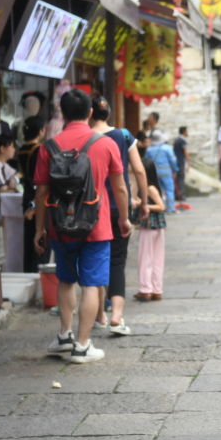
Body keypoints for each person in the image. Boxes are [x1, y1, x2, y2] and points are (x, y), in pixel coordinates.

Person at [33, 89, 131, 364]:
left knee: (66, 280)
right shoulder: (105, 144)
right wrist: (124, 218)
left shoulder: (48, 147)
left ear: (62, 114)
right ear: (90, 113)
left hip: (60, 226)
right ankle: (82, 345)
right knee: (91, 284)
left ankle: (65, 335)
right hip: (96, 226)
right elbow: (120, 187)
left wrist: (40, 228)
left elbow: (41, 192)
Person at [89, 95, 135, 336]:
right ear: (108, 114)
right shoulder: (120, 136)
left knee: (95, 261)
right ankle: (117, 316)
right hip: (117, 207)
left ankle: (100, 316)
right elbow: (128, 178)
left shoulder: (84, 138)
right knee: (117, 261)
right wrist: (126, 216)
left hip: (91, 209)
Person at [17, 116, 50, 273]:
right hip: (38, 194)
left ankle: (28, 269)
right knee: (41, 232)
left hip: (27, 194)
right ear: (41, 131)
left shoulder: (21, 149)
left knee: (29, 234)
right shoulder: (39, 150)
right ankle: (39, 269)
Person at [135, 154, 167, 301]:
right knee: (156, 258)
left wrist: (143, 205)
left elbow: (161, 206)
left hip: (149, 226)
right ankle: (156, 289)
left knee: (145, 258)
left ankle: (145, 289)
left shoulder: (149, 188)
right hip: (157, 227)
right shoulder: (153, 187)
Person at [146, 131, 179, 213]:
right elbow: (173, 160)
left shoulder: (149, 149)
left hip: (154, 173)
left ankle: (159, 206)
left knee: (158, 190)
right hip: (166, 171)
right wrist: (175, 169)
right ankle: (170, 208)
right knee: (169, 189)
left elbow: (146, 162)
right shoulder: (167, 148)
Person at [173, 126, 190, 203]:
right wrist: (188, 162)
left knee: (176, 179)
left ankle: (177, 194)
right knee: (181, 179)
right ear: (184, 132)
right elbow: (185, 152)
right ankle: (181, 195)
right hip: (181, 162)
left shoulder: (176, 141)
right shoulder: (183, 141)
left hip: (176, 162)